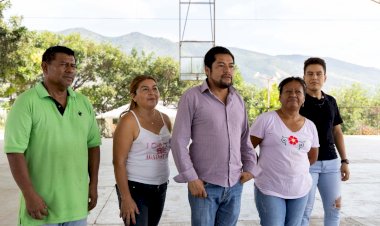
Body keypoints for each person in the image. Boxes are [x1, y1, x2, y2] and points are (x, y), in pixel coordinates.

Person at [4, 46, 101, 225]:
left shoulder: (83, 102)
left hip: (77, 209)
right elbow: (14, 152)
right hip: (41, 210)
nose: (70, 70)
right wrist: (29, 195)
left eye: (73, 65)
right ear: (44, 67)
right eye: (64, 64)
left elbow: (93, 145)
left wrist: (93, 185)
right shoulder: (26, 102)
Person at [171, 46, 260, 226]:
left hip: (235, 185)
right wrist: (191, 178)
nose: (227, 70)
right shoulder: (192, 97)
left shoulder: (238, 99)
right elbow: (179, 141)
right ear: (207, 69)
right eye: (221, 65)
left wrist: (251, 167)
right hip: (204, 185)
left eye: (231, 66)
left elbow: (244, 138)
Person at [250, 77, 319, 226]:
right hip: (270, 188)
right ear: (280, 97)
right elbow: (248, 148)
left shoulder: (310, 126)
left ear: (304, 97)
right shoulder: (266, 119)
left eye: (298, 92)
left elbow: (312, 157)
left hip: (300, 189)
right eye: (288, 91)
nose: (293, 95)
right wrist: (257, 168)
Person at [113, 75, 172, 226]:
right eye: (145, 89)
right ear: (134, 96)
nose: (152, 93)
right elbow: (118, 162)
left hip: (160, 187)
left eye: (155, 88)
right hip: (135, 189)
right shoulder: (128, 121)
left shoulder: (165, 119)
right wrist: (126, 198)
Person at [300, 57, 350, 226]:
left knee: (334, 208)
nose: (314, 77)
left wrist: (344, 161)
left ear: (325, 77)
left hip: (331, 163)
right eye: (310, 74)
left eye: (319, 74)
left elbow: (337, 131)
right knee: (304, 210)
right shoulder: (299, 102)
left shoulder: (331, 101)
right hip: (307, 163)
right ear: (304, 77)